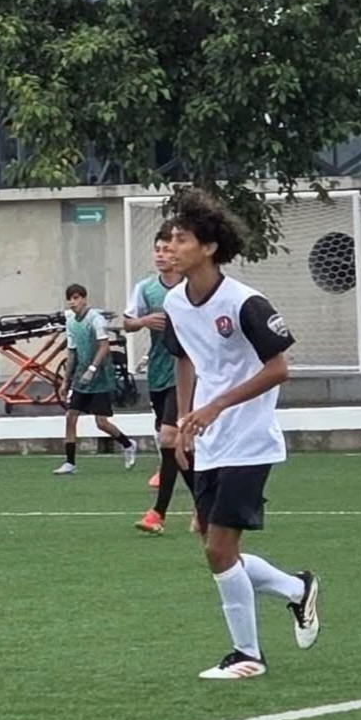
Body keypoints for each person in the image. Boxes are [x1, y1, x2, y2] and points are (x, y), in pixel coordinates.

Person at [162, 189, 319, 680]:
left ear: (208, 248)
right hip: (209, 440)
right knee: (215, 548)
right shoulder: (174, 301)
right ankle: (296, 589)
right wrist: (184, 423)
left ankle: (247, 655)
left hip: (250, 439)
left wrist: (216, 405)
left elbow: (279, 369)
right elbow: (184, 359)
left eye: (181, 239)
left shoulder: (245, 302)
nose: (170, 247)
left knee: (218, 549)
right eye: (169, 239)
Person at [123, 226, 197, 534]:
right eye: (158, 249)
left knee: (169, 437)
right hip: (159, 373)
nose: (161, 255)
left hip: (190, 374)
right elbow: (127, 323)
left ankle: (158, 513)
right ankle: (204, 505)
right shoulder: (146, 289)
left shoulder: (192, 288)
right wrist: (142, 321)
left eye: (167, 249)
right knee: (176, 444)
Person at [53, 284, 137, 475]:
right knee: (70, 416)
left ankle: (128, 444)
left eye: (76, 298)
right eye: (69, 299)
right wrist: (66, 381)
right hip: (81, 378)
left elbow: (104, 346)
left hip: (100, 378)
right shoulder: (71, 322)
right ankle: (70, 463)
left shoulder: (95, 319)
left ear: (84, 299)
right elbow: (72, 352)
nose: (72, 302)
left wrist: (92, 369)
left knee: (101, 423)